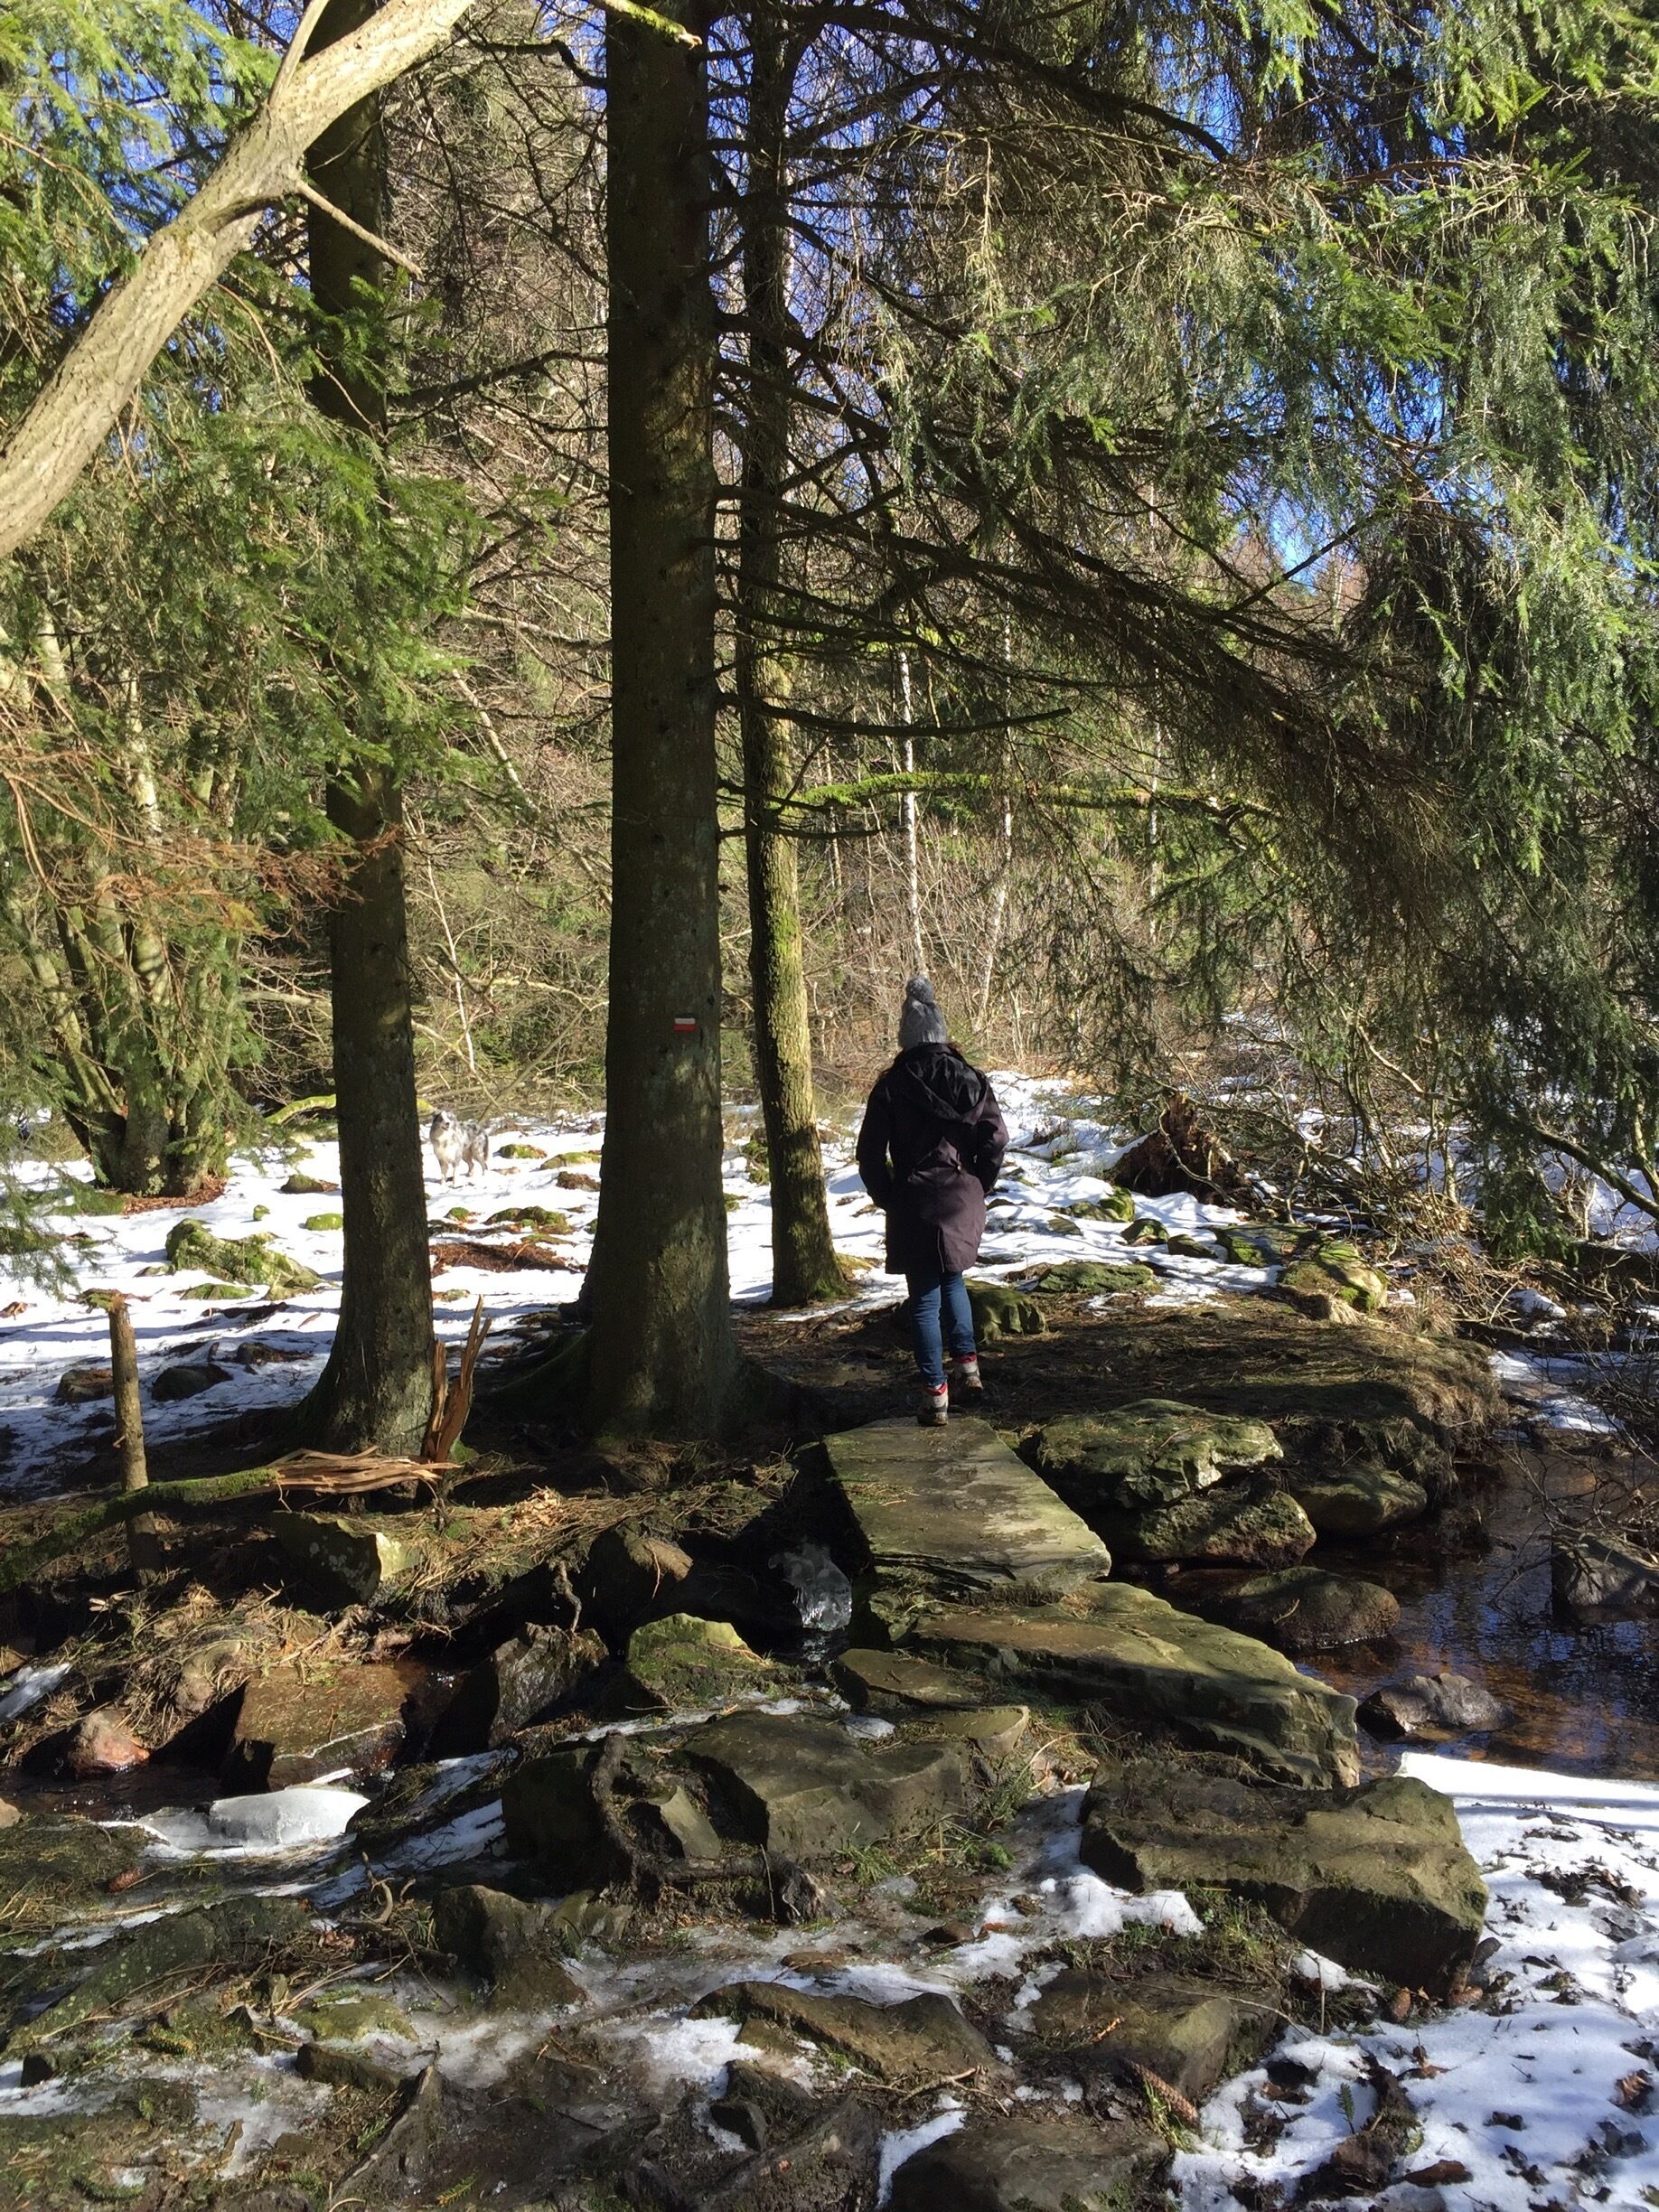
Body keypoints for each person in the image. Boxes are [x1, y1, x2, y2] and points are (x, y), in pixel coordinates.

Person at [856, 976, 1008, 1425]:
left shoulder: (891, 1086)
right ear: (942, 1035)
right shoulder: (973, 1080)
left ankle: (935, 1396)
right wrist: (980, 1182)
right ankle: (968, 1372)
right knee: (953, 1280)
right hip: (963, 1195)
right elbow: (996, 1139)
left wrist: (888, 1195)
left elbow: (869, 1154)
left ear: (906, 1039)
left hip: (914, 1199)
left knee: (924, 1298)